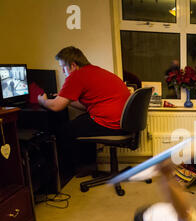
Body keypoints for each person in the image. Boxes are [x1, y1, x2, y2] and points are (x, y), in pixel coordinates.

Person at [37, 46, 131, 177]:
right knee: (82, 122)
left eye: (63, 67)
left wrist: (42, 101)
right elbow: (89, 105)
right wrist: (68, 99)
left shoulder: (76, 75)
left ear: (73, 65)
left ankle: (66, 172)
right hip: (122, 122)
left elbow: (55, 107)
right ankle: (88, 166)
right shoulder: (96, 71)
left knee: (65, 131)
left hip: (110, 123)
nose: (63, 71)